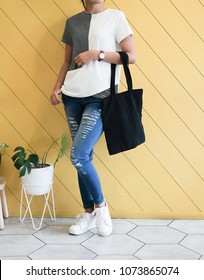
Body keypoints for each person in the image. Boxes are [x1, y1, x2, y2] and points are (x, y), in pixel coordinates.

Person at [50, 0, 136, 237]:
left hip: (100, 97)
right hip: (72, 96)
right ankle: (88, 214)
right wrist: (57, 87)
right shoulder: (73, 22)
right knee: (84, 157)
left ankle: (101, 207)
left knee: (78, 155)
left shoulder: (116, 17)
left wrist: (96, 54)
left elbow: (131, 56)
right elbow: (67, 62)